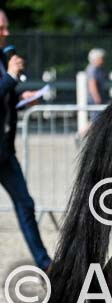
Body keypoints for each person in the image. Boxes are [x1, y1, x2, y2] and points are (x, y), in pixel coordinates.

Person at [0, 10, 51, 271]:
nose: (7, 33)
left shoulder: (3, 57)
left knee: (25, 205)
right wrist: (10, 78)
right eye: (1, 28)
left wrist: (23, 98)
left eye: (6, 27)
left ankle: (45, 265)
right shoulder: (7, 66)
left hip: (4, 152)